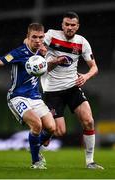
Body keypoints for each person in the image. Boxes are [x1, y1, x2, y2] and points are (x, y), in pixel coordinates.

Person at [0, 23, 56, 169]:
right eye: (34, 37)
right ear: (28, 37)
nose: (38, 41)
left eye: (40, 37)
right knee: (37, 125)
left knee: (52, 128)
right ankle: (36, 161)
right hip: (17, 96)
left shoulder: (41, 51)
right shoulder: (18, 53)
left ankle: (35, 146)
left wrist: (53, 60)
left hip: (35, 97)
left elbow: (43, 65)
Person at [41, 11, 104, 169]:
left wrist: (86, 76)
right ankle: (41, 137)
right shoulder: (51, 35)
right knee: (59, 132)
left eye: (72, 25)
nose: (69, 27)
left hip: (72, 87)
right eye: (66, 24)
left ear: (77, 26)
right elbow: (33, 42)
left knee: (89, 121)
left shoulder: (82, 42)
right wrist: (44, 52)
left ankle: (90, 162)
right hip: (52, 90)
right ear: (62, 25)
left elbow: (94, 67)